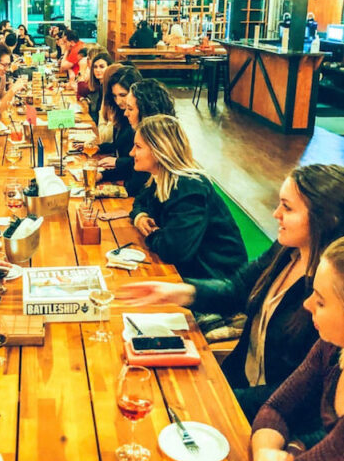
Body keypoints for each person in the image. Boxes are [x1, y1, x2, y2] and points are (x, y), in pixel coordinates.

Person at [121, 164, 344, 422]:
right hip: (236, 382)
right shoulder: (287, 251)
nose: (275, 214)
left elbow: (302, 393)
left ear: (327, 220)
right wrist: (177, 292)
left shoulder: (330, 292)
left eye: (288, 207)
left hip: (269, 414)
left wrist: (220, 398)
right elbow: (237, 289)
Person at [251, 236, 344, 461]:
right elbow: (276, 406)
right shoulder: (331, 347)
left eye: (320, 301)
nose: (306, 305)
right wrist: (265, 456)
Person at [128, 114, 247, 281]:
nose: (131, 152)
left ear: (159, 150)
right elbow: (140, 202)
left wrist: (152, 233)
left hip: (215, 280)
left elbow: (173, 251)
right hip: (192, 269)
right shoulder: (161, 177)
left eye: (138, 147)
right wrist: (141, 217)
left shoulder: (189, 187)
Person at [98, 78, 175, 191]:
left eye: (130, 109)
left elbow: (137, 187)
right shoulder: (153, 135)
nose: (125, 113)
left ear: (145, 110)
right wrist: (103, 175)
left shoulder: (160, 146)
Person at [97, 64, 137, 160]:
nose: (118, 101)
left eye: (123, 95)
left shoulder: (143, 118)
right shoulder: (120, 112)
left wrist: (117, 163)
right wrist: (98, 148)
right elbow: (118, 144)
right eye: (114, 96)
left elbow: (137, 161)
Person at [77, 49, 112, 123]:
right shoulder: (98, 84)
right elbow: (80, 92)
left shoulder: (110, 87)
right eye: (95, 67)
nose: (97, 70)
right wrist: (83, 99)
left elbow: (81, 90)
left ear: (109, 67)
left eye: (102, 67)